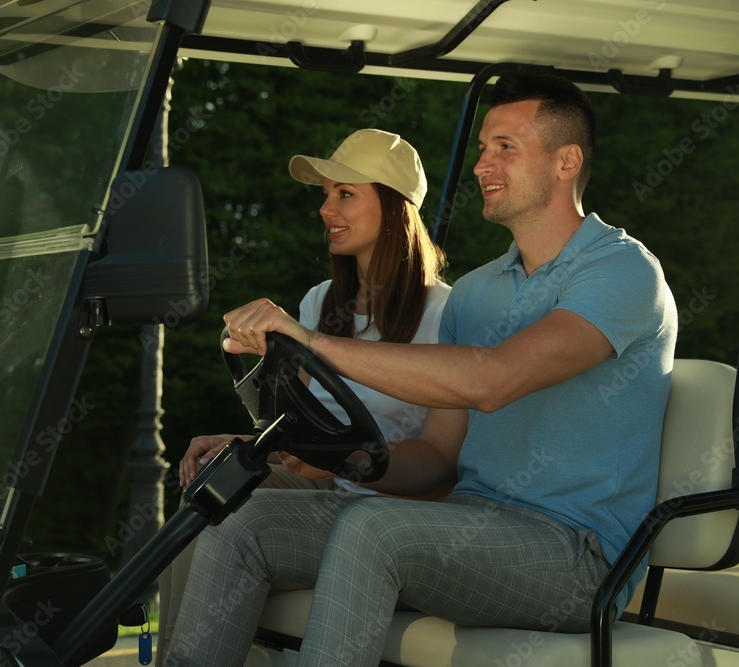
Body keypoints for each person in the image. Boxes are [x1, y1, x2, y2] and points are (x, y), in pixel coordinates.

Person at [166, 72, 678, 667]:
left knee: (375, 530)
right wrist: (339, 456)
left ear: (567, 162)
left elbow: (493, 380)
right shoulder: (479, 292)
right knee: (237, 517)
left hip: (576, 556)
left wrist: (310, 342)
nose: (483, 165)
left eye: (504, 149)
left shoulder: (622, 272)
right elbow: (437, 457)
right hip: (467, 527)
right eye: (483, 148)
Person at [155, 128, 450, 665]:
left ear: (393, 206)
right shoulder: (319, 303)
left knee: (230, 520)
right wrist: (242, 440)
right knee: (209, 489)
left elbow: (440, 463)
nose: (324, 209)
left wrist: (327, 460)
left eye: (344, 194)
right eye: (325, 193)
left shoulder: (446, 315)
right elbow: (300, 428)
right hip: (329, 491)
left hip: (395, 511)